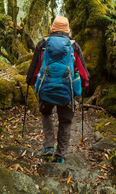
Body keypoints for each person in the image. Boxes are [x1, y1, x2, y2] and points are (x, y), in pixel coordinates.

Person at [26, 16, 89, 163]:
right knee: (65, 121)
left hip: (45, 89)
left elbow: (34, 68)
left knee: (46, 113)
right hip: (67, 91)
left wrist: (29, 81)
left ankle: (48, 146)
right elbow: (83, 73)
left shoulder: (43, 44)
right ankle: (60, 155)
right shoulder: (74, 46)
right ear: (67, 30)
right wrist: (84, 84)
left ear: (52, 28)